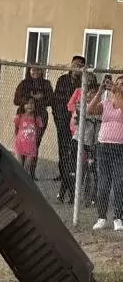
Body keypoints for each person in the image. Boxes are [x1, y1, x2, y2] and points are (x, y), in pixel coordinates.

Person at [87, 74, 123, 230]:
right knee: (103, 182)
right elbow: (90, 110)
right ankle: (101, 217)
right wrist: (100, 91)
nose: (120, 86)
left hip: (120, 147)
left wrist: (117, 92)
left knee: (119, 182)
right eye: (118, 84)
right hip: (103, 146)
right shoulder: (106, 103)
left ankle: (118, 218)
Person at [54, 56, 86, 200]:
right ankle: (62, 172)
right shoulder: (63, 80)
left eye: (80, 65)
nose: (77, 67)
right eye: (75, 64)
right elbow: (57, 99)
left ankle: (72, 174)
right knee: (62, 146)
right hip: (62, 117)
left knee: (73, 149)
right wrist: (58, 115)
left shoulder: (83, 82)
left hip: (76, 121)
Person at [66, 73, 100, 204]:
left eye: (95, 93)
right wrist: (81, 116)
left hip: (92, 143)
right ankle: (72, 195)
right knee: (75, 169)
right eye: (90, 93)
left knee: (90, 170)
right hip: (79, 141)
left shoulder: (100, 108)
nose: (92, 96)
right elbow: (75, 123)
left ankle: (90, 197)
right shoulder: (81, 106)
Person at [13, 64, 54, 141]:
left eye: (38, 70)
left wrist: (41, 98)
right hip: (24, 114)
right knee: (21, 138)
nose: (36, 72)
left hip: (40, 114)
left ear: (41, 71)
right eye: (33, 70)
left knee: (36, 140)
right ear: (29, 71)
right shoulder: (24, 83)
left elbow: (51, 100)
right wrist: (29, 98)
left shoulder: (46, 83)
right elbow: (16, 100)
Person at [13, 97, 43, 175]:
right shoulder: (19, 117)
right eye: (27, 103)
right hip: (19, 145)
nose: (30, 105)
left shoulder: (37, 118)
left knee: (26, 168)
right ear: (23, 105)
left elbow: (39, 132)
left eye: (32, 103)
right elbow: (16, 129)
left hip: (31, 147)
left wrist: (33, 140)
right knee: (18, 166)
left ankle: (24, 184)